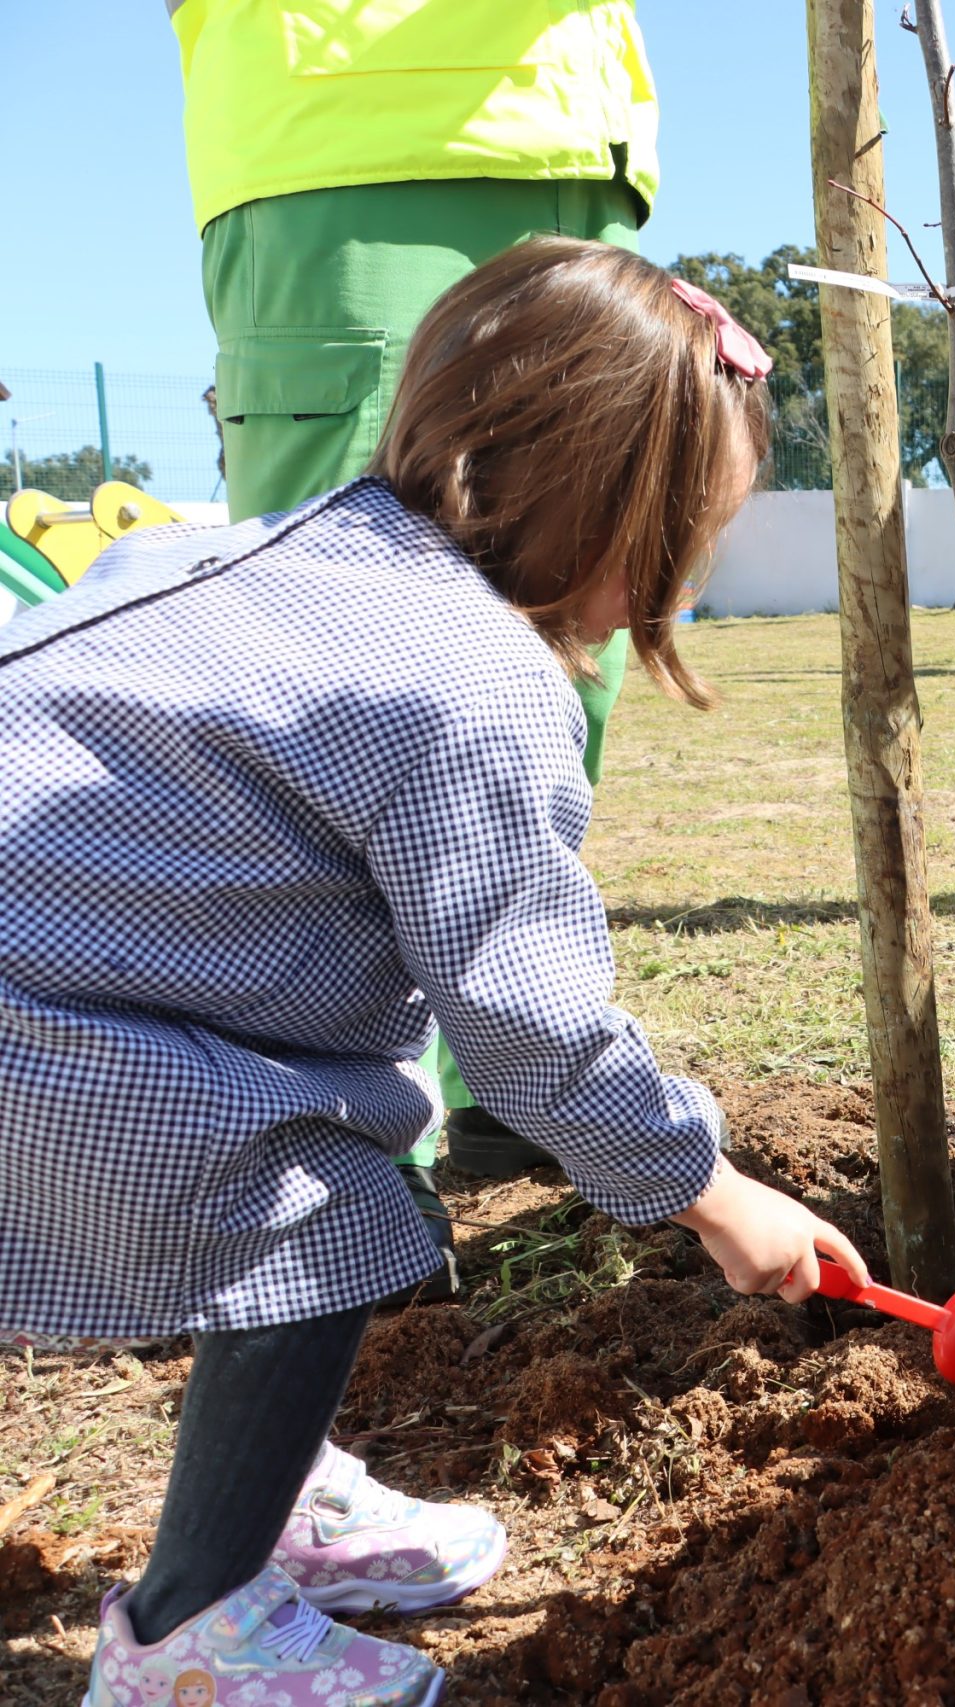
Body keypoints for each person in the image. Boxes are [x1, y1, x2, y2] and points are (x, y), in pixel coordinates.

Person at [0, 240, 873, 1702]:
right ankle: (189, 1636)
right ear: (623, 519)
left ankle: (276, 1488)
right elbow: (531, 1028)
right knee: (315, 1194)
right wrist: (716, 1194)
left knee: (299, 1148)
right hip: (39, 1031)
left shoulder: (263, 549)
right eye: (690, 533)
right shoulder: (472, 687)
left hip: (55, 981)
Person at [169, 0, 676, 1286]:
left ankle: (517, 1072)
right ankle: (332, 1148)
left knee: (554, 660)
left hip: (569, 130)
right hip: (338, 118)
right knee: (342, 653)